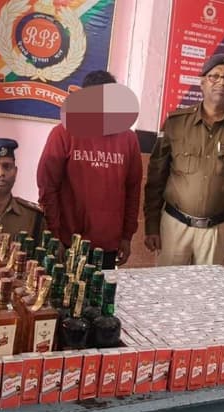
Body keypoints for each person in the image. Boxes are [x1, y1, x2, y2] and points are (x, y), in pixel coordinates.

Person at [143, 54, 224, 266]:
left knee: (207, 287)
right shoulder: (176, 122)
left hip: (217, 231)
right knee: (167, 285)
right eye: (214, 76)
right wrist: (152, 225)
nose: (221, 82)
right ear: (202, 82)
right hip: (175, 226)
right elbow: (156, 177)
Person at [37, 70, 142, 269]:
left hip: (108, 246)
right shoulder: (63, 133)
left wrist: (127, 236)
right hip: (68, 243)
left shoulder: (129, 139)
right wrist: (54, 234)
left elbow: (133, 191)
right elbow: (47, 187)